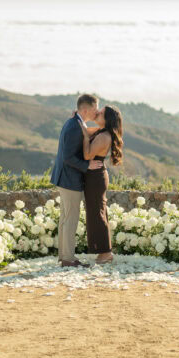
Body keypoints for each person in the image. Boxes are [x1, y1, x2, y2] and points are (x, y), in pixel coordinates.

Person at [50, 94, 103, 266]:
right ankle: (68, 259)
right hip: (69, 179)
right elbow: (68, 157)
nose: (96, 113)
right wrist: (87, 165)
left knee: (65, 219)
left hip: (64, 178)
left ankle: (64, 257)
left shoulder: (75, 122)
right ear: (86, 109)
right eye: (95, 109)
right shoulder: (75, 125)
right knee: (70, 220)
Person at [80, 104, 124, 264]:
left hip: (95, 176)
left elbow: (87, 155)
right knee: (97, 212)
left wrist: (85, 139)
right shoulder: (100, 132)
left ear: (107, 119)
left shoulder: (104, 136)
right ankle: (104, 251)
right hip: (94, 175)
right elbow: (83, 128)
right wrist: (80, 116)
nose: (97, 113)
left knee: (96, 214)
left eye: (101, 113)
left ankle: (105, 253)